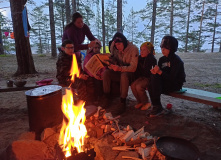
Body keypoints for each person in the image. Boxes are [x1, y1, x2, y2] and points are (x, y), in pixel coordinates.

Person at [147, 35, 186, 117]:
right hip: (164, 82)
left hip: (175, 84)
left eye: (165, 48)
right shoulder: (162, 59)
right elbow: (159, 74)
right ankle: (156, 106)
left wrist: (159, 72)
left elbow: (172, 78)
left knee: (154, 82)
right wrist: (154, 72)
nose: (162, 50)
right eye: (161, 48)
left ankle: (157, 107)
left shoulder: (177, 61)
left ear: (172, 48)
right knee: (151, 82)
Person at [102, 32, 139, 115]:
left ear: (124, 42)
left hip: (131, 74)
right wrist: (109, 63)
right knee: (106, 73)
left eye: (119, 44)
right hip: (120, 71)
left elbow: (133, 68)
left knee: (124, 75)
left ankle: (122, 101)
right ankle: (106, 97)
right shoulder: (115, 48)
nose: (117, 47)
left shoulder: (133, 49)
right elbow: (112, 55)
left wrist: (120, 68)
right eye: (116, 45)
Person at [131, 42, 157, 111]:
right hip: (142, 77)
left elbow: (152, 73)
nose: (141, 52)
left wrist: (151, 83)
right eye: (141, 50)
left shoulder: (151, 59)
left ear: (149, 51)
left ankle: (146, 102)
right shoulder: (140, 59)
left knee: (138, 86)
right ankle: (140, 101)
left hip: (149, 78)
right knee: (133, 85)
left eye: (144, 50)